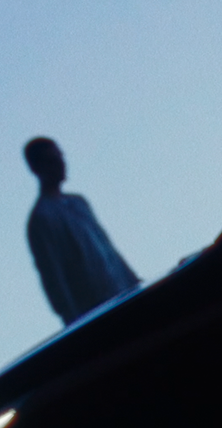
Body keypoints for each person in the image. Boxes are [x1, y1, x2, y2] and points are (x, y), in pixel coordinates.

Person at [24, 137, 141, 325]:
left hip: (123, 295)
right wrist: (76, 323)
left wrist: (134, 284)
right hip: (95, 313)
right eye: (52, 161)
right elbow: (54, 279)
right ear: (37, 168)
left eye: (61, 157)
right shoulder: (42, 219)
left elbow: (107, 248)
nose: (61, 165)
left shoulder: (78, 203)